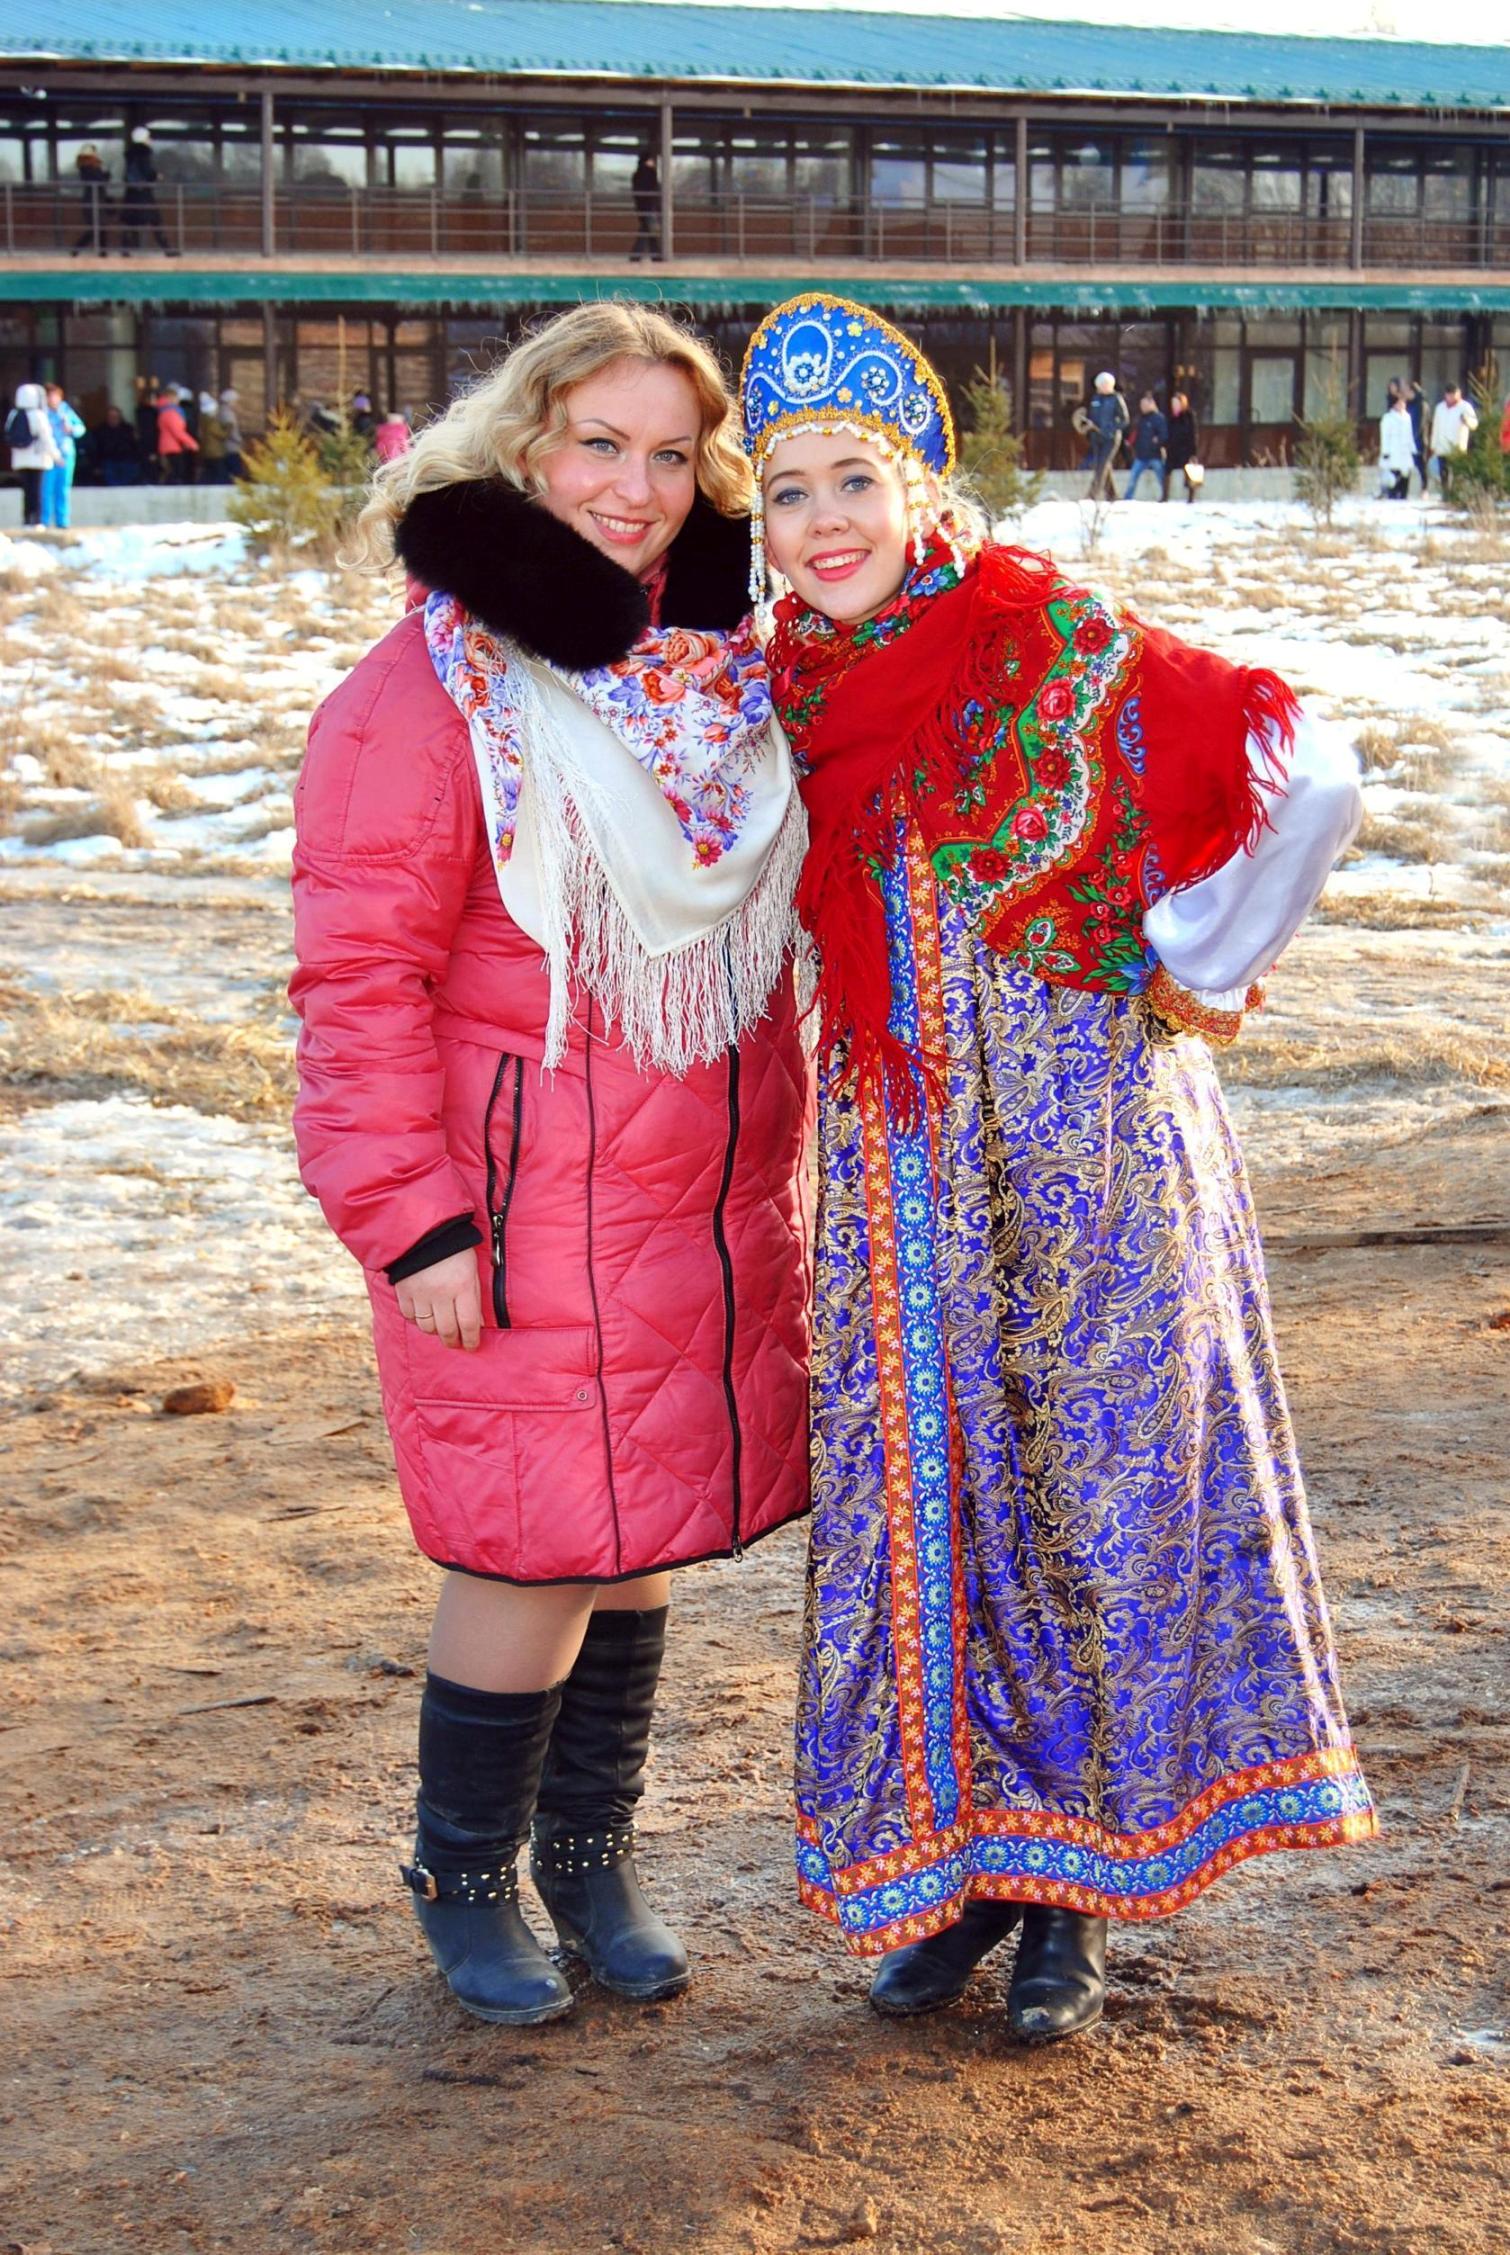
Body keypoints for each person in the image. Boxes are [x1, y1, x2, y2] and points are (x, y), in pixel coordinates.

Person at [740, 294, 1376, 2045]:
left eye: (856, 479)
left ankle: (1074, 1901)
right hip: (904, 1161)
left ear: (926, 489)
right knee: (939, 1497)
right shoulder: (785, 681)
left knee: (1088, 1486)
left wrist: (1192, 960)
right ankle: (968, 1875)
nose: (825, 523)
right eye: (787, 492)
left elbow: (1308, 771)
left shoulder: (1047, 638)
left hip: (1087, 1148)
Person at [290, 302, 810, 2031]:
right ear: (525, 443)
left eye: (670, 453)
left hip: (695, 1197)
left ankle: (590, 1855)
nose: (633, 488)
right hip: (511, 1204)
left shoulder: (713, 676)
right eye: (600, 443)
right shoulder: (424, 694)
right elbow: (359, 980)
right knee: (523, 1546)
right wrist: (410, 1219)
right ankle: (463, 1876)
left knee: (626, 1526)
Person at [7, 382, 61, 526]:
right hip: (38, 458)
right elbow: (47, 438)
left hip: (20, 459)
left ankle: (26, 519)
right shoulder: (38, 415)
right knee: (37, 491)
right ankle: (36, 520)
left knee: (26, 491)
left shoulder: (13, 414)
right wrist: (56, 456)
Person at [120, 127, 179, 257]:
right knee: (155, 219)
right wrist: (156, 175)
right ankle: (167, 249)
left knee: (131, 221)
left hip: (132, 192)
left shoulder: (130, 154)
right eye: (148, 137)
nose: (150, 140)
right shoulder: (144, 153)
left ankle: (125, 249)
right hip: (143, 193)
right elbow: (147, 171)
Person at [40, 382, 85, 527]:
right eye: (50, 396)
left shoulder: (66, 411)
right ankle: (45, 520)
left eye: (56, 396)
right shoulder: (42, 413)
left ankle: (62, 521)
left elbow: (81, 428)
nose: (53, 399)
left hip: (66, 454)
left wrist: (71, 429)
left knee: (63, 488)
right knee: (46, 489)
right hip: (48, 455)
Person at [1082, 370, 1129, 502]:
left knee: (1101, 464)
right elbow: (1091, 415)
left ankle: (1093, 494)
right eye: (1101, 385)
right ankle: (1112, 495)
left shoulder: (1116, 399)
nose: (1103, 387)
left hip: (1111, 438)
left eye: (1105, 384)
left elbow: (1125, 419)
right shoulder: (1095, 398)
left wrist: (1110, 428)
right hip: (1096, 437)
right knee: (1102, 464)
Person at [1428, 382, 1478, 501]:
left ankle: (1455, 495)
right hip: (1442, 446)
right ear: (1445, 395)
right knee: (1443, 473)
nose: (1451, 397)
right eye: (1449, 395)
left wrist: (1467, 420)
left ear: (1458, 394)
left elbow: (1474, 424)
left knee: (1456, 473)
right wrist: (1433, 444)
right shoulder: (1440, 408)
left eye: (1454, 394)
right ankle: (1445, 495)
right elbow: (1436, 427)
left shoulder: (1465, 407)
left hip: (1457, 446)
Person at [1123, 390, 1167, 501]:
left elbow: (1164, 435)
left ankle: (1165, 495)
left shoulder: (1159, 418)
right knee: (1133, 477)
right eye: (1141, 405)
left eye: (1145, 405)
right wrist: (1131, 442)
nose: (1143, 407)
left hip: (1155, 455)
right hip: (1141, 455)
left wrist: (1157, 442)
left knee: (1161, 476)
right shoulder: (1140, 419)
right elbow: (1135, 433)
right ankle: (1127, 497)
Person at [87, 404, 142, 486]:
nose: (113, 419)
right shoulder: (100, 430)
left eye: (115, 417)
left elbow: (135, 446)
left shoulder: (128, 429)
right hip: (108, 462)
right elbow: (95, 449)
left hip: (127, 461)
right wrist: (96, 466)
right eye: (111, 417)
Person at [70, 144, 110, 257]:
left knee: (100, 226)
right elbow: (97, 180)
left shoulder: (91, 166)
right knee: (96, 227)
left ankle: (102, 251)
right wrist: (105, 176)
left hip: (96, 199)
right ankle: (78, 248)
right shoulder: (87, 167)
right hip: (92, 200)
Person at [155, 384, 198, 483]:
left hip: (169, 446)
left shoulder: (164, 410)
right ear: (171, 397)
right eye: (177, 397)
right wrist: (192, 443)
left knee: (173, 472)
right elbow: (178, 431)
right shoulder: (171, 412)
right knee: (176, 473)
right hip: (172, 447)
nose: (178, 400)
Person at [1378, 392, 1416, 501]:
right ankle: (1393, 494)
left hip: (1405, 450)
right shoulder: (1388, 418)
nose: (1402, 405)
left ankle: (1404, 494)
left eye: (1403, 403)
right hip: (1393, 449)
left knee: (1405, 473)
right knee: (1394, 475)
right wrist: (1385, 452)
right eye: (1399, 403)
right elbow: (1385, 436)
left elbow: (1410, 433)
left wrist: (1412, 448)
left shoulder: (1407, 417)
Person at [1164, 389, 1200, 502]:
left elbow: (1193, 434)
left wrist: (1193, 452)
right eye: (1173, 403)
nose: (1174, 406)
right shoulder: (1171, 418)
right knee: (1167, 470)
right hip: (1173, 448)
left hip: (1186, 448)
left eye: (1176, 403)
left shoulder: (1189, 416)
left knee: (1189, 472)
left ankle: (1191, 497)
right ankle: (1165, 496)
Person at [630, 148, 662, 263]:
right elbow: (654, 190)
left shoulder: (636, 175)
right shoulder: (650, 173)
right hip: (650, 207)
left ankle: (656, 256)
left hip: (641, 207)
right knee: (647, 231)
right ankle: (637, 255)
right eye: (651, 160)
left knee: (649, 230)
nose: (653, 162)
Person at [216, 388, 244, 480]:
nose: (236, 404)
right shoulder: (228, 414)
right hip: (231, 447)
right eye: (235, 401)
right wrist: (239, 440)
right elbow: (232, 430)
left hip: (226, 446)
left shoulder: (221, 411)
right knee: (236, 470)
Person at [1406, 379, 1428, 494]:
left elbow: (1420, 424)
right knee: (1407, 465)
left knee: (1421, 465)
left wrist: (1413, 438)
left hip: (1419, 440)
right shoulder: (1408, 404)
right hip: (1408, 440)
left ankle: (1424, 488)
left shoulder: (1421, 405)